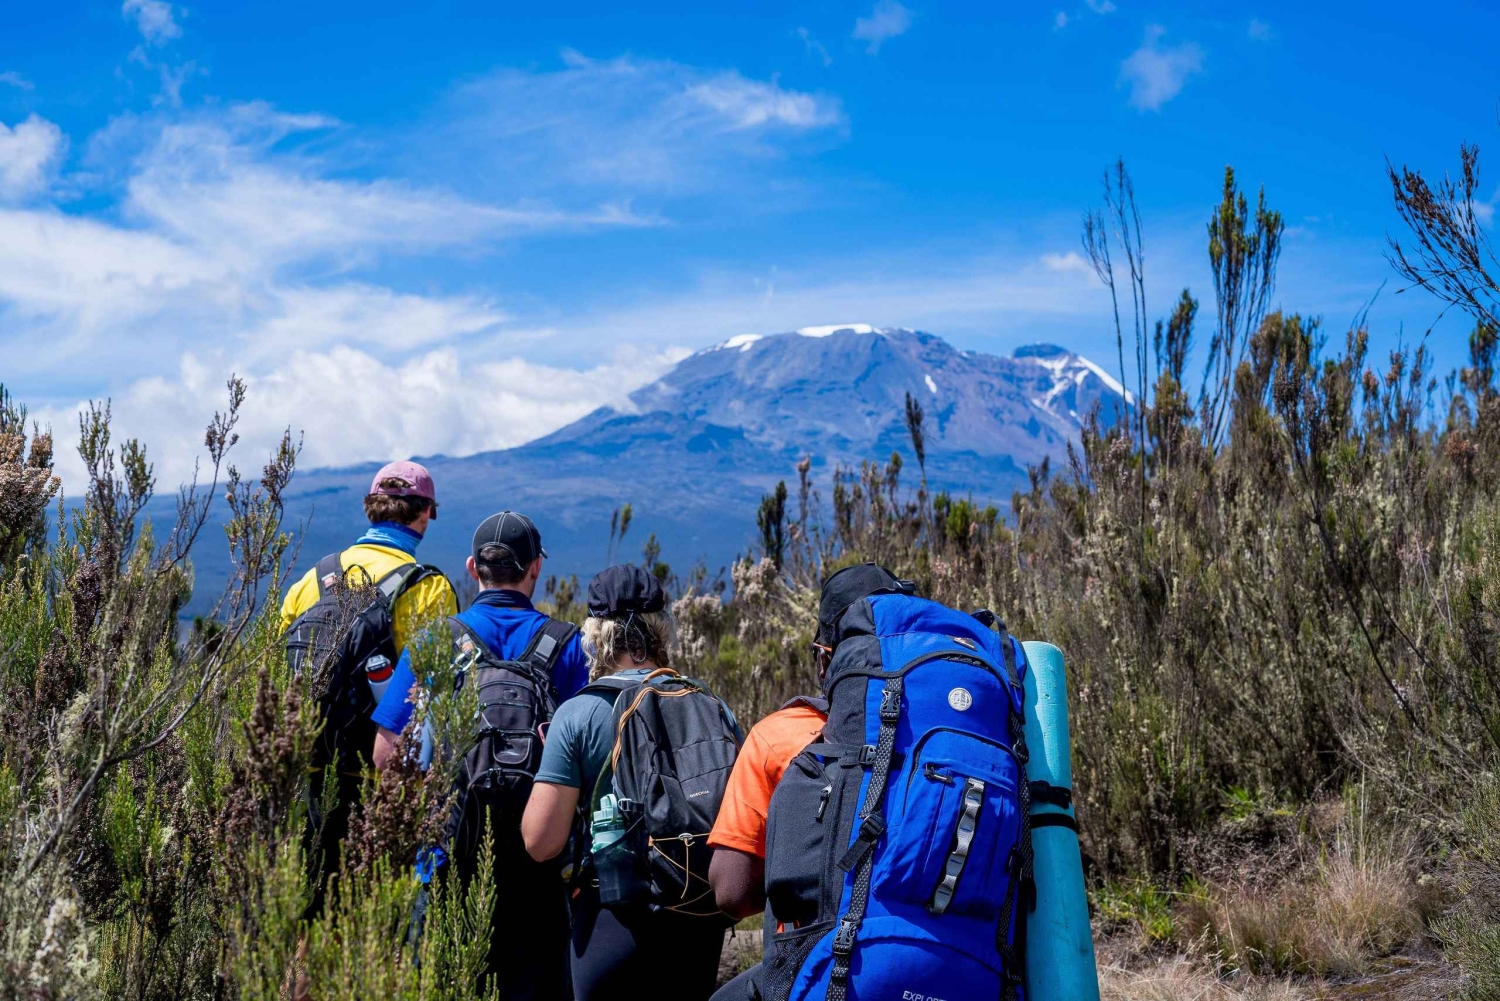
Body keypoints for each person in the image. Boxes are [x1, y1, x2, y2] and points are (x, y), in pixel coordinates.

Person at [372, 510, 587, 1001]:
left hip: (447, 856)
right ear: (536, 568)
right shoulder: (569, 646)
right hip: (540, 865)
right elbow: (593, 755)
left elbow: (386, 754)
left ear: (473, 569)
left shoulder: (435, 640)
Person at [523, 565, 729, 1001]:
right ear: (661, 628)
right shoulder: (710, 705)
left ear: (594, 635)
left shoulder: (578, 715)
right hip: (698, 919)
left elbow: (541, 841)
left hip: (611, 921)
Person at [710, 563, 908, 1001]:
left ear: (824, 657)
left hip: (822, 971)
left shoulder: (778, 735)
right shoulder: (947, 736)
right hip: (943, 962)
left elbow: (731, 892)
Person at [280, 460, 457, 899]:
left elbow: (274, 673)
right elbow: (434, 693)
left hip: (306, 769)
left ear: (371, 511)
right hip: (376, 783)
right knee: (372, 916)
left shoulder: (311, 580)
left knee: (309, 910)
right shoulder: (426, 588)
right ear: (423, 515)